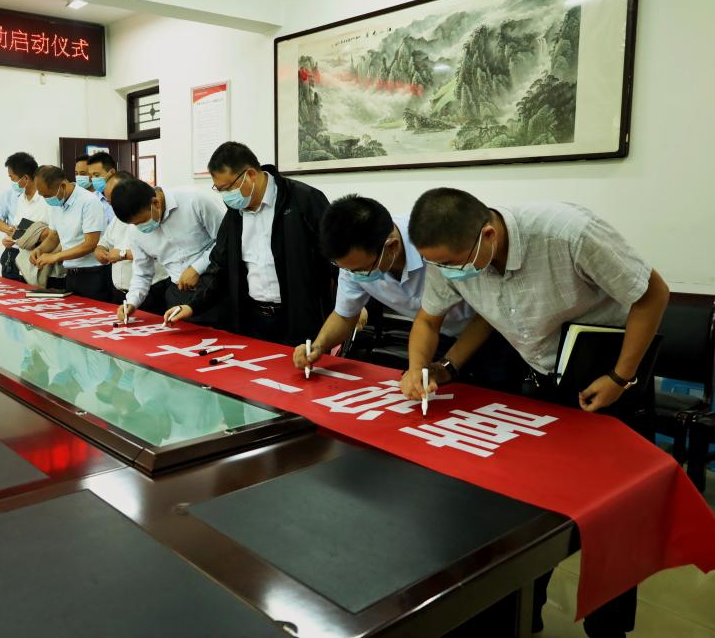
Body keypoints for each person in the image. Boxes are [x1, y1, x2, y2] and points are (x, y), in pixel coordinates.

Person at [400, 187, 669, 638]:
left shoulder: (568, 233)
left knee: (616, 518)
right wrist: (417, 368)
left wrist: (621, 376)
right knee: (530, 510)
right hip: (545, 384)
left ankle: (609, 630)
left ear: (487, 235)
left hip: (612, 381)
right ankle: (524, 618)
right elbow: (428, 319)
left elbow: (653, 293)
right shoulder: (451, 259)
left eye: (452, 262)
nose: (447, 272)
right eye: (436, 264)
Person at [292, 195, 509, 387]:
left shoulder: (434, 242)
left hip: (492, 331)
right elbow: (345, 315)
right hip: (434, 337)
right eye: (348, 269)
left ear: (391, 247)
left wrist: (449, 365)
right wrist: (318, 346)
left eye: (362, 269)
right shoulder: (354, 260)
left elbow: (487, 313)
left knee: (497, 401)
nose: (355, 275)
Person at [164, 141, 335, 345]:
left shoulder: (303, 199)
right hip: (253, 319)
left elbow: (336, 256)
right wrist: (192, 306)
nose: (226, 197)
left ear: (251, 175)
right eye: (219, 190)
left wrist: (352, 306)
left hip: (300, 317)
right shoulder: (235, 214)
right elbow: (219, 266)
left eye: (228, 188)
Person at [110, 177, 225, 324]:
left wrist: (197, 268)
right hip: (179, 294)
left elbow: (226, 241)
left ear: (155, 203)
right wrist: (132, 302)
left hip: (216, 288)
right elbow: (142, 272)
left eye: (142, 222)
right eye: (134, 224)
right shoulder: (135, 231)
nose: (140, 228)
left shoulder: (195, 200)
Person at [30, 165, 109, 302]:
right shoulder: (55, 204)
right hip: (71, 275)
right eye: (42, 196)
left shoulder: (88, 202)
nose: (46, 200)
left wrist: (55, 256)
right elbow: (53, 237)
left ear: (62, 186)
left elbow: (90, 244)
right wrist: (40, 250)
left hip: (93, 274)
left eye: (47, 195)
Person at [94, 170, 169, 308]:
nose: (116, 206)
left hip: (151, 290)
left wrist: (123, 254)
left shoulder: (152, 215)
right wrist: (100, 249)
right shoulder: (118, 217)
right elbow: (105, 240)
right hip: (121, 292)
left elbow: (160, 251)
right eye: (110, 202)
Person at [0, 152, 48, 283]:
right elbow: (19, 228)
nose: (12, 182)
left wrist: (28, 236)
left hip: (43, 264)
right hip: (23, 265)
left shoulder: (46, 199)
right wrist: (11, 239)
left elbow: (53, 233)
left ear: (26, 178)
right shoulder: (21, 199)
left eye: (13, 178)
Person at [85, 152, 117, 225]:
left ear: (112, 172)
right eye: (91, 176)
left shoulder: (126, 197)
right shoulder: (91, 199)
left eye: (97, 175)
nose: (93, 179)